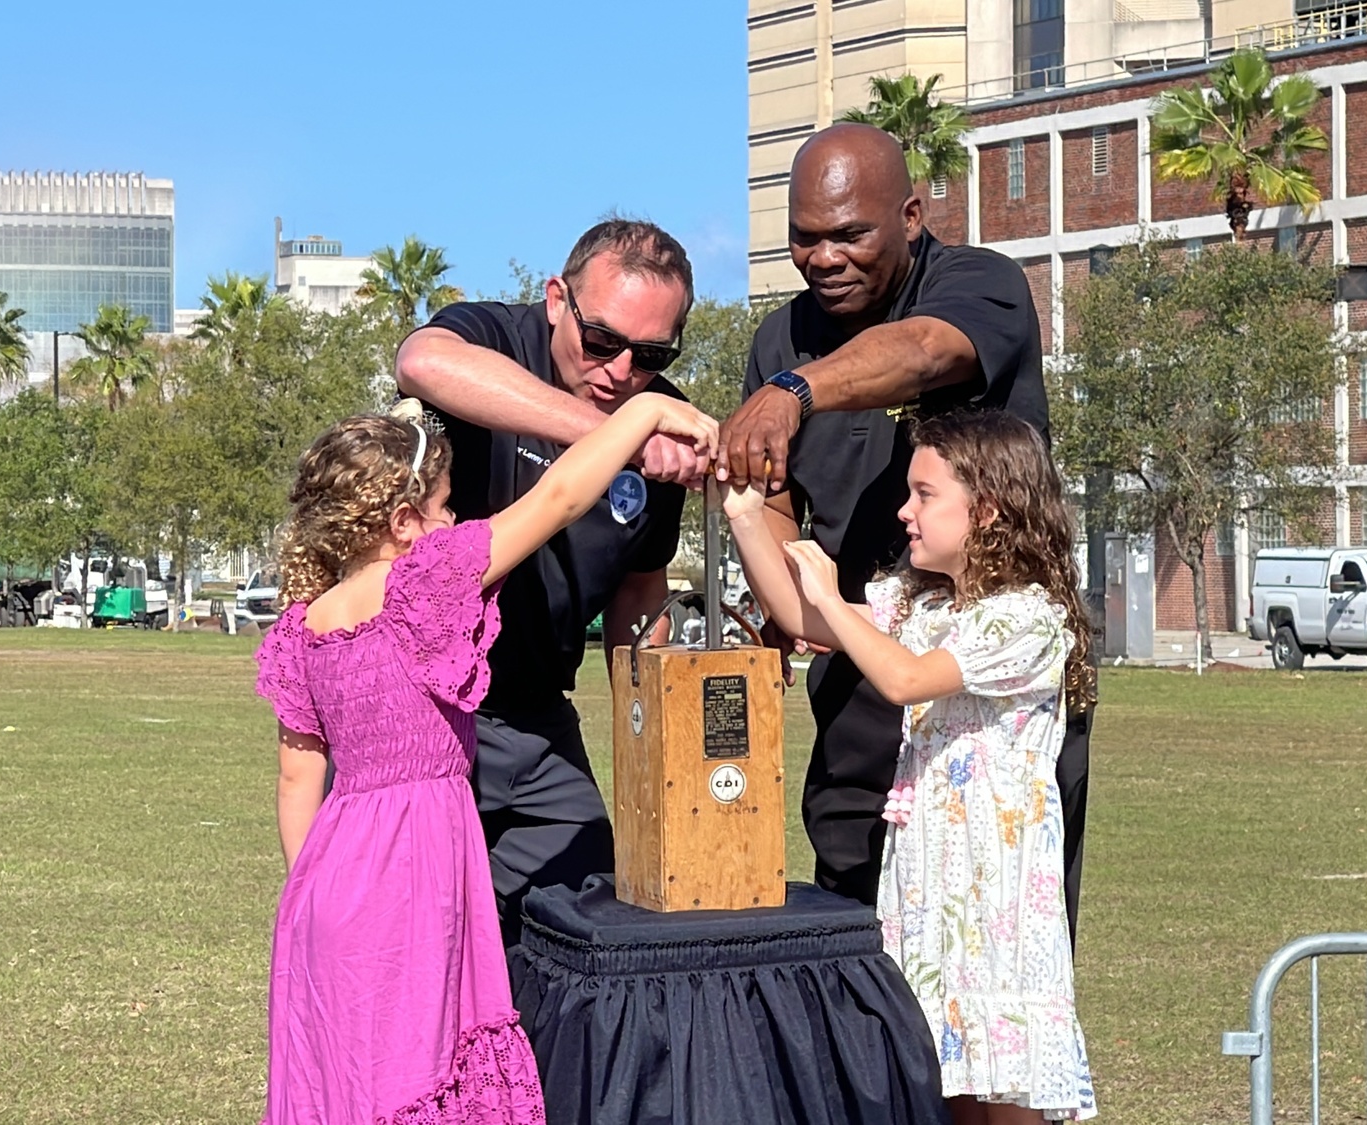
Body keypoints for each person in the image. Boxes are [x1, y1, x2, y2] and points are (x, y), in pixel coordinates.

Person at [254, 393, 718, 1124]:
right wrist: (645, 411)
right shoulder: (424, 581)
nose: (453, 521)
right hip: (415, 871)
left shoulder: (300, 628)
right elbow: (561, 495)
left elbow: (296, 775)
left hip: (326, 885)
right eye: (443, 505)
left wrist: (314, 894)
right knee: (423, 1066)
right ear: (403, 523)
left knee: (351, 1080)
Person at [719, 123, 1094, 935]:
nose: (825, 258)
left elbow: (922, 352)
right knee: (854, 954)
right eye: (805, 239)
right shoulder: (780, 336)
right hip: (858, 691)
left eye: (850, 234)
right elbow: (780, 522)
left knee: (990, 954)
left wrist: (794, 392)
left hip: (989, 709)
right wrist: (779, 577)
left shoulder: (979, 286)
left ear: (912, 217)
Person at [726, 411, 1097, 1123]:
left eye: (924, 494)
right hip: (931, 893)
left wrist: (833, 597)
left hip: (999, 906)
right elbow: (804, 618)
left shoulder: (1027, 617)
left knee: (1006, 1093)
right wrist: (746, 512)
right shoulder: (920, 602)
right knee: (945, 1084)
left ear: (987, 509)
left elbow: (904, 679)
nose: (905, 511)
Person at [395, 219, 704, 944]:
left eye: (651, 353)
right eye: (602, 339)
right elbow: (423, 362)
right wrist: (609, 437)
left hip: (537, 717)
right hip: (424, 701)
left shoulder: (659, 417)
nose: (623, 370)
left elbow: (639, 593)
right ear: (557, 298)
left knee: (589, 919)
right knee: (424, 938)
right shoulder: (496, 337)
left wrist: (654, 729)